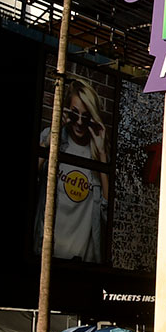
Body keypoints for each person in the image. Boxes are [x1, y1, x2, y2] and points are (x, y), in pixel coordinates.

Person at [36, 75, 109, 263]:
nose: (79, 122)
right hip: (47, 256)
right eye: (75, 114)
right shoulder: (50, 139)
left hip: (84, 260)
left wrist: (102, 154)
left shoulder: (96, 154)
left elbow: (107, 211)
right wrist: (51, 138)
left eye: (86, 117)